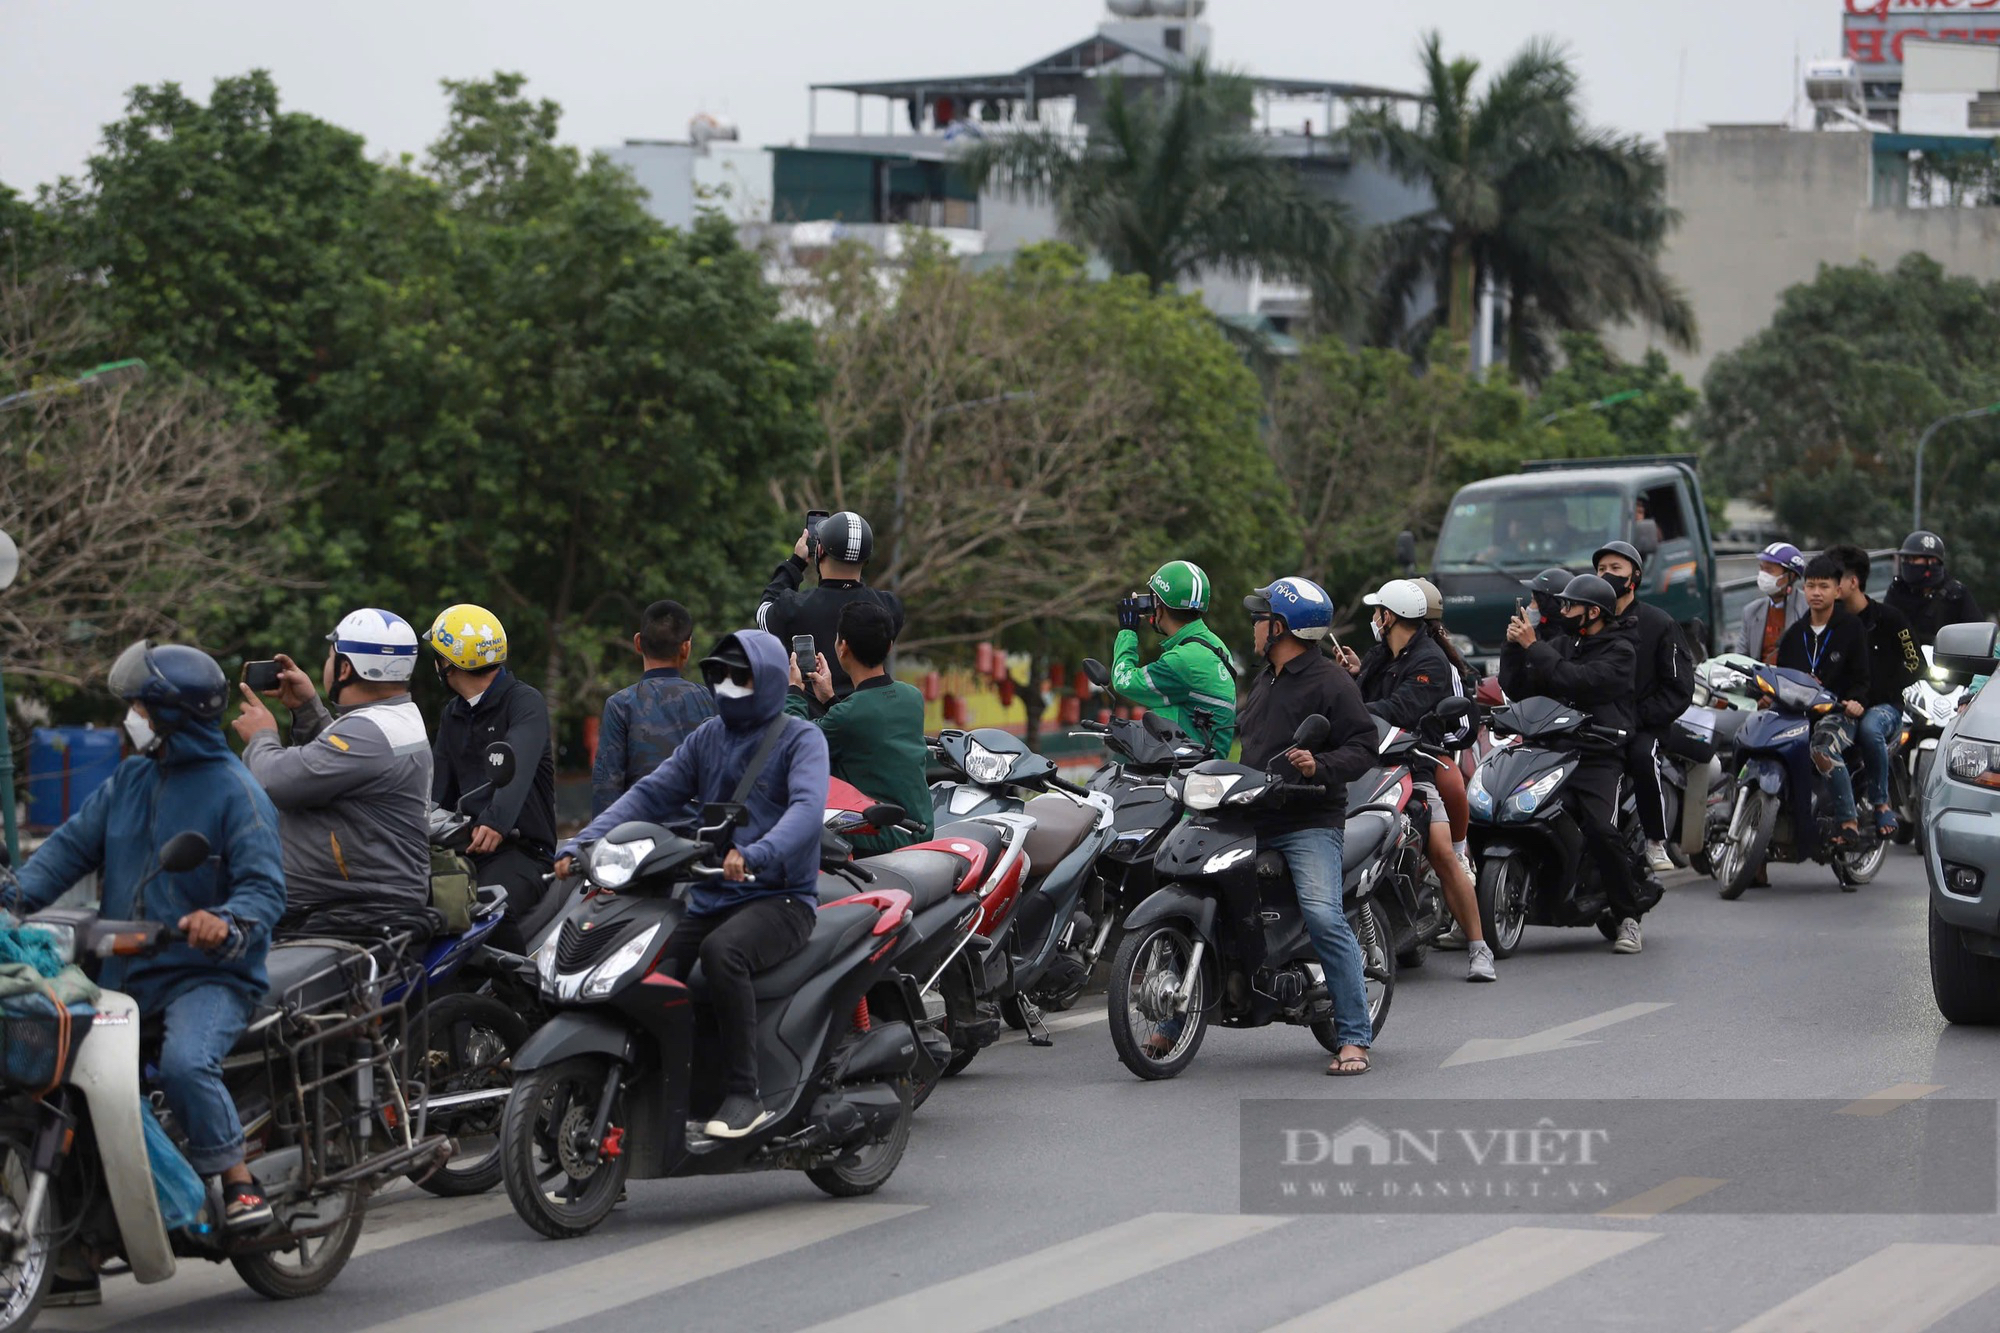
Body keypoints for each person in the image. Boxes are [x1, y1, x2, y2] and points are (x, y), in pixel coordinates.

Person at [7, 642, 284, 1232]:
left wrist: (225, 922)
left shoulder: (238, 793)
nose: (130, 717)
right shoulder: (129, 780)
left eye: (140, 706)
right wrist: (11, 898)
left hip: (207, 978)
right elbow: (63, 855)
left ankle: (240, 1182)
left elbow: (264, 892)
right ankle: (83, 1237)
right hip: (122, 979)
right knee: (66, 1079)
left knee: (186, 1063)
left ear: (172, 715)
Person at [555, 631, 827, 1137]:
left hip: (780, 898)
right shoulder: (708, 737)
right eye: (718, 675)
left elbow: (807, 812)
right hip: (710, 895)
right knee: (640, 964)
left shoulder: (800, 738)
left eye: (739, 676)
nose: (727, 686)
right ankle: (654, 1089)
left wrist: (755, 855)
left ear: (766, 680)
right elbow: (648, 795)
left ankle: (746, 1094)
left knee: (724, 954)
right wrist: (582, 843)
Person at [1233, 576, 1381, 1076]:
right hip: (1253, 815)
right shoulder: (1263, 680)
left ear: (1280, 628)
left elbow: (1364, 747)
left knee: (1323, 916)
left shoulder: (1330, 682)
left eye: (1260, 619)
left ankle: (1354, 1037)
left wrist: (1320, 766)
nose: (1253, 626)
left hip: (1308, 822)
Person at [234, 610, 432, 936]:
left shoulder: (369, 731)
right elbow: (338, 765)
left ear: (345, 668)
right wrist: (307, 708)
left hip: (345, 909)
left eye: (331, 656)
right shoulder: (394, 717)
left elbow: (275, 782)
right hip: (361, 897)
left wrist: (261, 736)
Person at [1337, 579, 1495, 982]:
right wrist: (1349, 679)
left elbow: (1400, 708)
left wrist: (1350, 705)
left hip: (1413, 765)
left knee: (1442, 849)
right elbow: (1361, 702)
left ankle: (1479, 947)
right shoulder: (1377, 656)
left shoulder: (1430, 662)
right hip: (1364, 765)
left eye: (1377, 612)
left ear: (1389, 617)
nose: (1373, 618)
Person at [1500, 575, 1650, 954]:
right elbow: (1520, 687)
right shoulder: (1564, 643)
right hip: (1552, 749)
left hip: (1599, 756)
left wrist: (1535, 646)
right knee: (1503, 810)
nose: (1561, 611)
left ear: (1593, 612)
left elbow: (1578, 681)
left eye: (1569, 606)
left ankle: (1628, 917)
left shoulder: (1621, 650)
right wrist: (1515, 646)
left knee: (1600, 829)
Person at [425, 604, 557, 952]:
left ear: (449, 664)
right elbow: (437, 792)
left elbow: (517, 761)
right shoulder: (452, 714)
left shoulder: (523, 702)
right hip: (465, 848)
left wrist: (497, 821)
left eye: (437, 656)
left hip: (524, 852)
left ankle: (522, 1001)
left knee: (487, 909)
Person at [787, 602, 932, 854]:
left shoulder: (850, 715)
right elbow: (868, 729)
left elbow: (796, 741)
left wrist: (794, 693)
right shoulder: (912, 697)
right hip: (920, 830)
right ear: (889, 646)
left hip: (882, 837)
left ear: (842, 647)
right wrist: (830, 700)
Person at [1593, 541, 1695, 875]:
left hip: (1642, 727)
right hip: (1594, 727)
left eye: (1615, 569)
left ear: (1634, 577)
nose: (1607, 575)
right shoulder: (1589, 620)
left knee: (1641, 756)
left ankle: (1655, 841)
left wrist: (1639, 718)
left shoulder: (1660, 623)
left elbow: (1679, 689)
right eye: (1601, 570)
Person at [1775, 556, 1874, 860]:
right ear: (1803, 589)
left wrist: (1856, 701)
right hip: (1796, 715)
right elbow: (1781, 679)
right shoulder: (1793, 636)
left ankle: (1848, 821)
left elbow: (1863, 679)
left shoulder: (1851, 628)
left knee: (1822, 748)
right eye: (1810, 586)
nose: (1816, 592)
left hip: (1838, 715)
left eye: (1823, 586)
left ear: (1837, 591)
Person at [756, 511, 905, 700]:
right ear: (866, 560)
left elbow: (763, 612)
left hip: (808, 722)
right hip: (868, 716)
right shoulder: (890, 607)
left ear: (819, 551)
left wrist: (795, 564)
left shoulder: (794, 606)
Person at [1830, 544, 1923, 841]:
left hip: (1884, 708)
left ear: (1852, 582)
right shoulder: (1829, 623)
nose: (1825, 588)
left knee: (1870, 729)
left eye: (1833, 580)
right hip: (1838, 706)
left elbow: (1915, 664)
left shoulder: (1891, 619)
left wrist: (1873, 692)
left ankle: (1881, 803)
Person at [591, 599, 715, 817]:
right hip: (700, 837)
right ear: (686, 648)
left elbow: (607, 788)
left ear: (638, 642)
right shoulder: (709, 700)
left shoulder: (620, 705)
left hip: (639, 838)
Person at [1109, 559, 1238, 755]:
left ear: (1158, 605)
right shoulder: (1214, 645)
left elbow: (1122, 681)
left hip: (1186, 775)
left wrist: (1128, 632)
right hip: (1208, 768)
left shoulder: (1182, 660)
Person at [1885, 530, 1984, 648]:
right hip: (1906, 662)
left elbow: (1978, 637)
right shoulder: (1897, 591)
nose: (1908, 564)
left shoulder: (1956, 594)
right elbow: (1882, 630)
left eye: (1913, 559)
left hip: (1946, 662)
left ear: (1933, 561)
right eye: (1905, 559)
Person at [1742, 542, 1807, 665]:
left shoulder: (1808, 610)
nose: (1763, 575)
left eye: (1769, 570)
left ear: (1790, 576)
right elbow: (1740, 656)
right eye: (1762, 569)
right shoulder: (1751, 611)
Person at [1522, 568, 1574, 637]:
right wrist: (1513, 641)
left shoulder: (1565, 641)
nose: (1529, 607)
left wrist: (1531, 643)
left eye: (1533, 601)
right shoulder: (1542, 630)